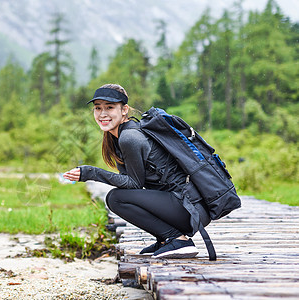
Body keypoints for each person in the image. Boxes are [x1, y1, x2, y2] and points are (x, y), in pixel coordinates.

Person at [63, 83, 211, 259]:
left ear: (124, 109)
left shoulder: (129, 137)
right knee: (119, 196)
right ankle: (165, 239)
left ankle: (178, 240)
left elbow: (134, 184)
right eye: (98, 108)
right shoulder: (120, 136)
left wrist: (90, 173)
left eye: (109, 107)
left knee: (115, 199)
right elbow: (130, 183)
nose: (102, 114)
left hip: (189, 208)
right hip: (185, 207)